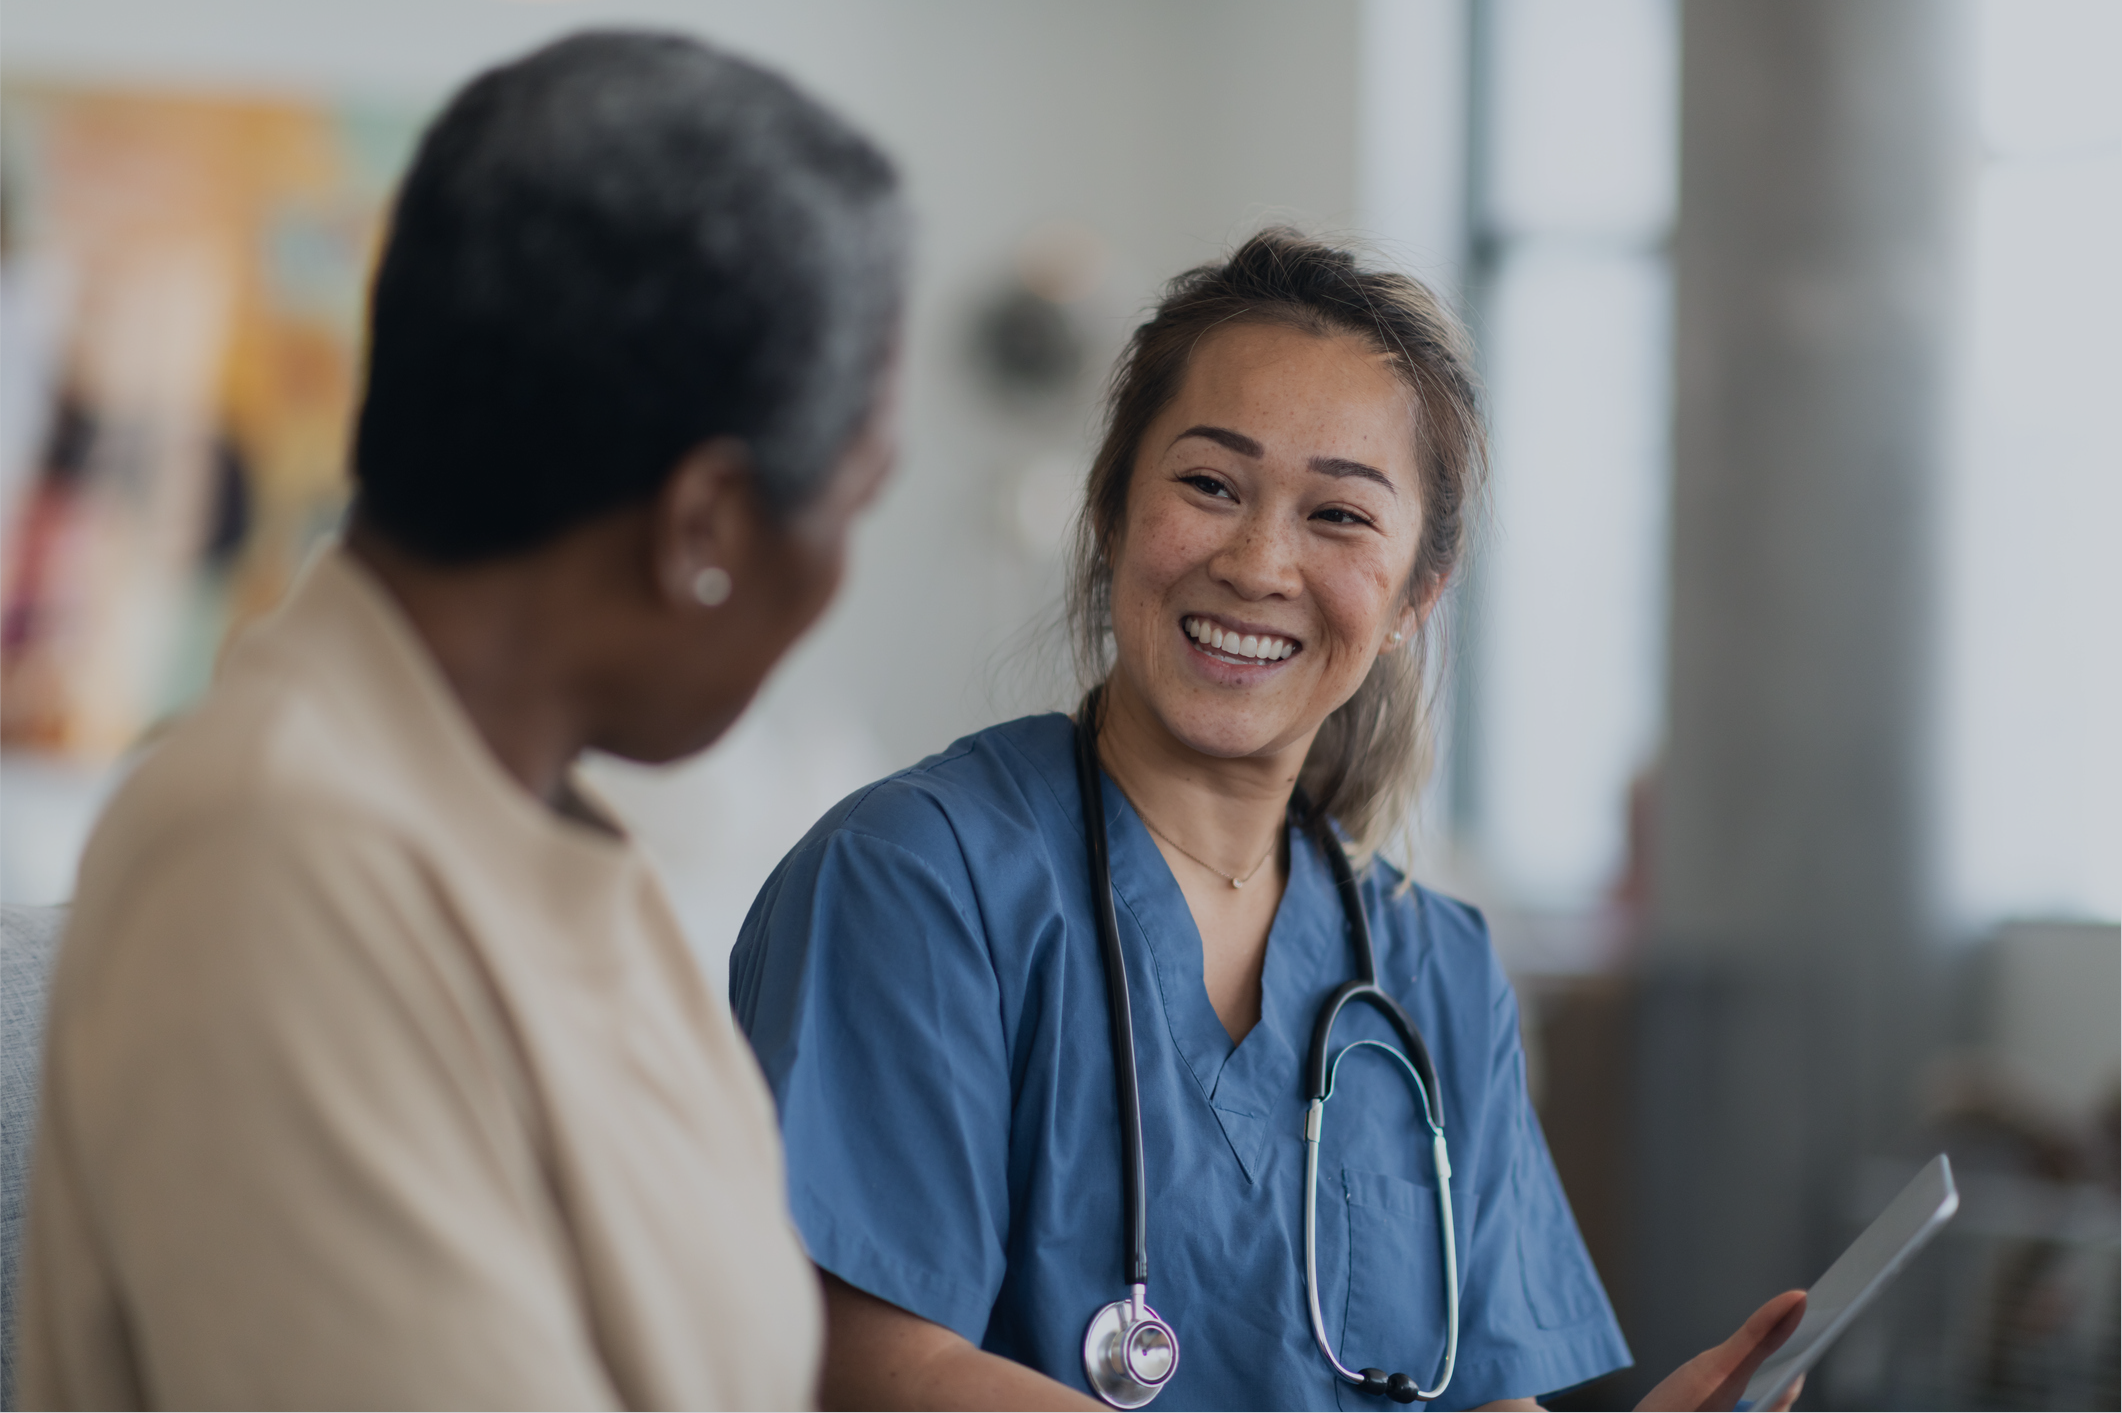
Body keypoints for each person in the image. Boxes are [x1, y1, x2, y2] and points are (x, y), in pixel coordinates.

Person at [730, 230, 1804, 1411]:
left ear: (1414, 596)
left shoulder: (1433, 969)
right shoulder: (913, 883)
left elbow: (1479, 1393)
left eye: (1338, 516)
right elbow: (876, 1368)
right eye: (1207, 485)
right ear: (1112, 511)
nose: (1256, 563)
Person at [16, 31, 905, 1409]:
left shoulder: (541, 833)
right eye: (853, 502)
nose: (844, 573)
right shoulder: (274, 862)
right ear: (708, 527)